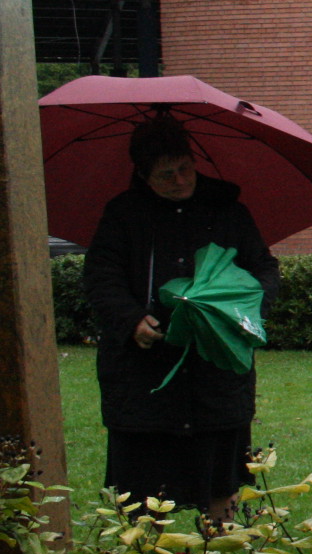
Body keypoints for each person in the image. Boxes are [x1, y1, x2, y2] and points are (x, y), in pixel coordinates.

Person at [82, 116, 280, 520]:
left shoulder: (228, 211)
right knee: (142, 491)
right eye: (165, 174)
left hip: (215, 376)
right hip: (143, 381)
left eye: (185, 168)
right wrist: (131, 320)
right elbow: (101, 277)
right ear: (143, 175)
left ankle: (221, 551)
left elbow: (264, 271)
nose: (179, 180)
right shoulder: (123, 215)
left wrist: (239, 316)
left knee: (221, 481)